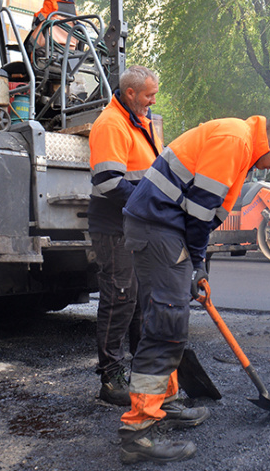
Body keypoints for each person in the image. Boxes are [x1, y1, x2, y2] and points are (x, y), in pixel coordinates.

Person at [117, 113, 270, 464]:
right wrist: (197, 260)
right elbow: (201, 210)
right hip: (158, 228)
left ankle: (164, 404)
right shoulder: (235, 140)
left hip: (159, 227)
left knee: (166, 322)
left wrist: (196, 264)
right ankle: (138, 432)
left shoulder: (241, 141)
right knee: (166, 328)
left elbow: (201, 208)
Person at [89, 66, 160, 406]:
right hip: (114, 227)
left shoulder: (140, 121)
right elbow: (106, 183)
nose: (153, 100)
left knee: (138, 300)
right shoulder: (111, 124)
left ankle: (139, 370)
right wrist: (154, 203)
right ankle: (111, 378)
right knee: (119, 298)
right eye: (149, 94)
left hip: (134, 225)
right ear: (130, 93)